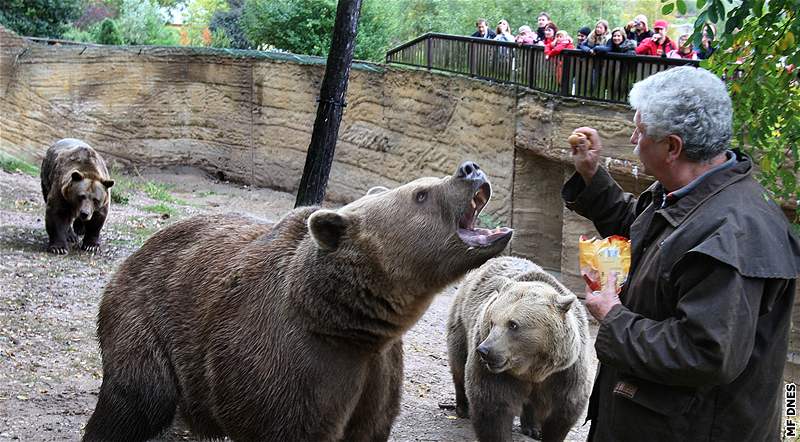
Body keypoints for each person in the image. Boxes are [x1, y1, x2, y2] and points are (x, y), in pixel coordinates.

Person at [562, 66, 800, 441]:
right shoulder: (692, 195)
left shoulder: (733, 237)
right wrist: (592, 176)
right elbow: (648, 232)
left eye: (640, 131)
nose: (632, 138)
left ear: (672, 147)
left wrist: (614, 317)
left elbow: (704, 353)